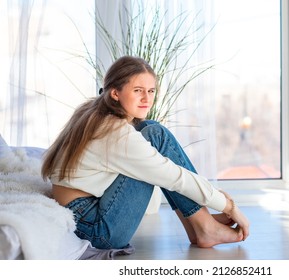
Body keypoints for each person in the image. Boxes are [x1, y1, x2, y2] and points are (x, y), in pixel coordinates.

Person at [41, 56, 249, 250]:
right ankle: (204, 226)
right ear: (115, 93)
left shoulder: (95, 111)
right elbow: (174, 177)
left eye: (150, 91)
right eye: (138, 90)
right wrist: (228, 205)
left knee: (152, 130)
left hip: (84, 212)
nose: (146, 99)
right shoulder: (114, 133)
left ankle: (200, 225)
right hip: (96, 229)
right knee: (156, 144)